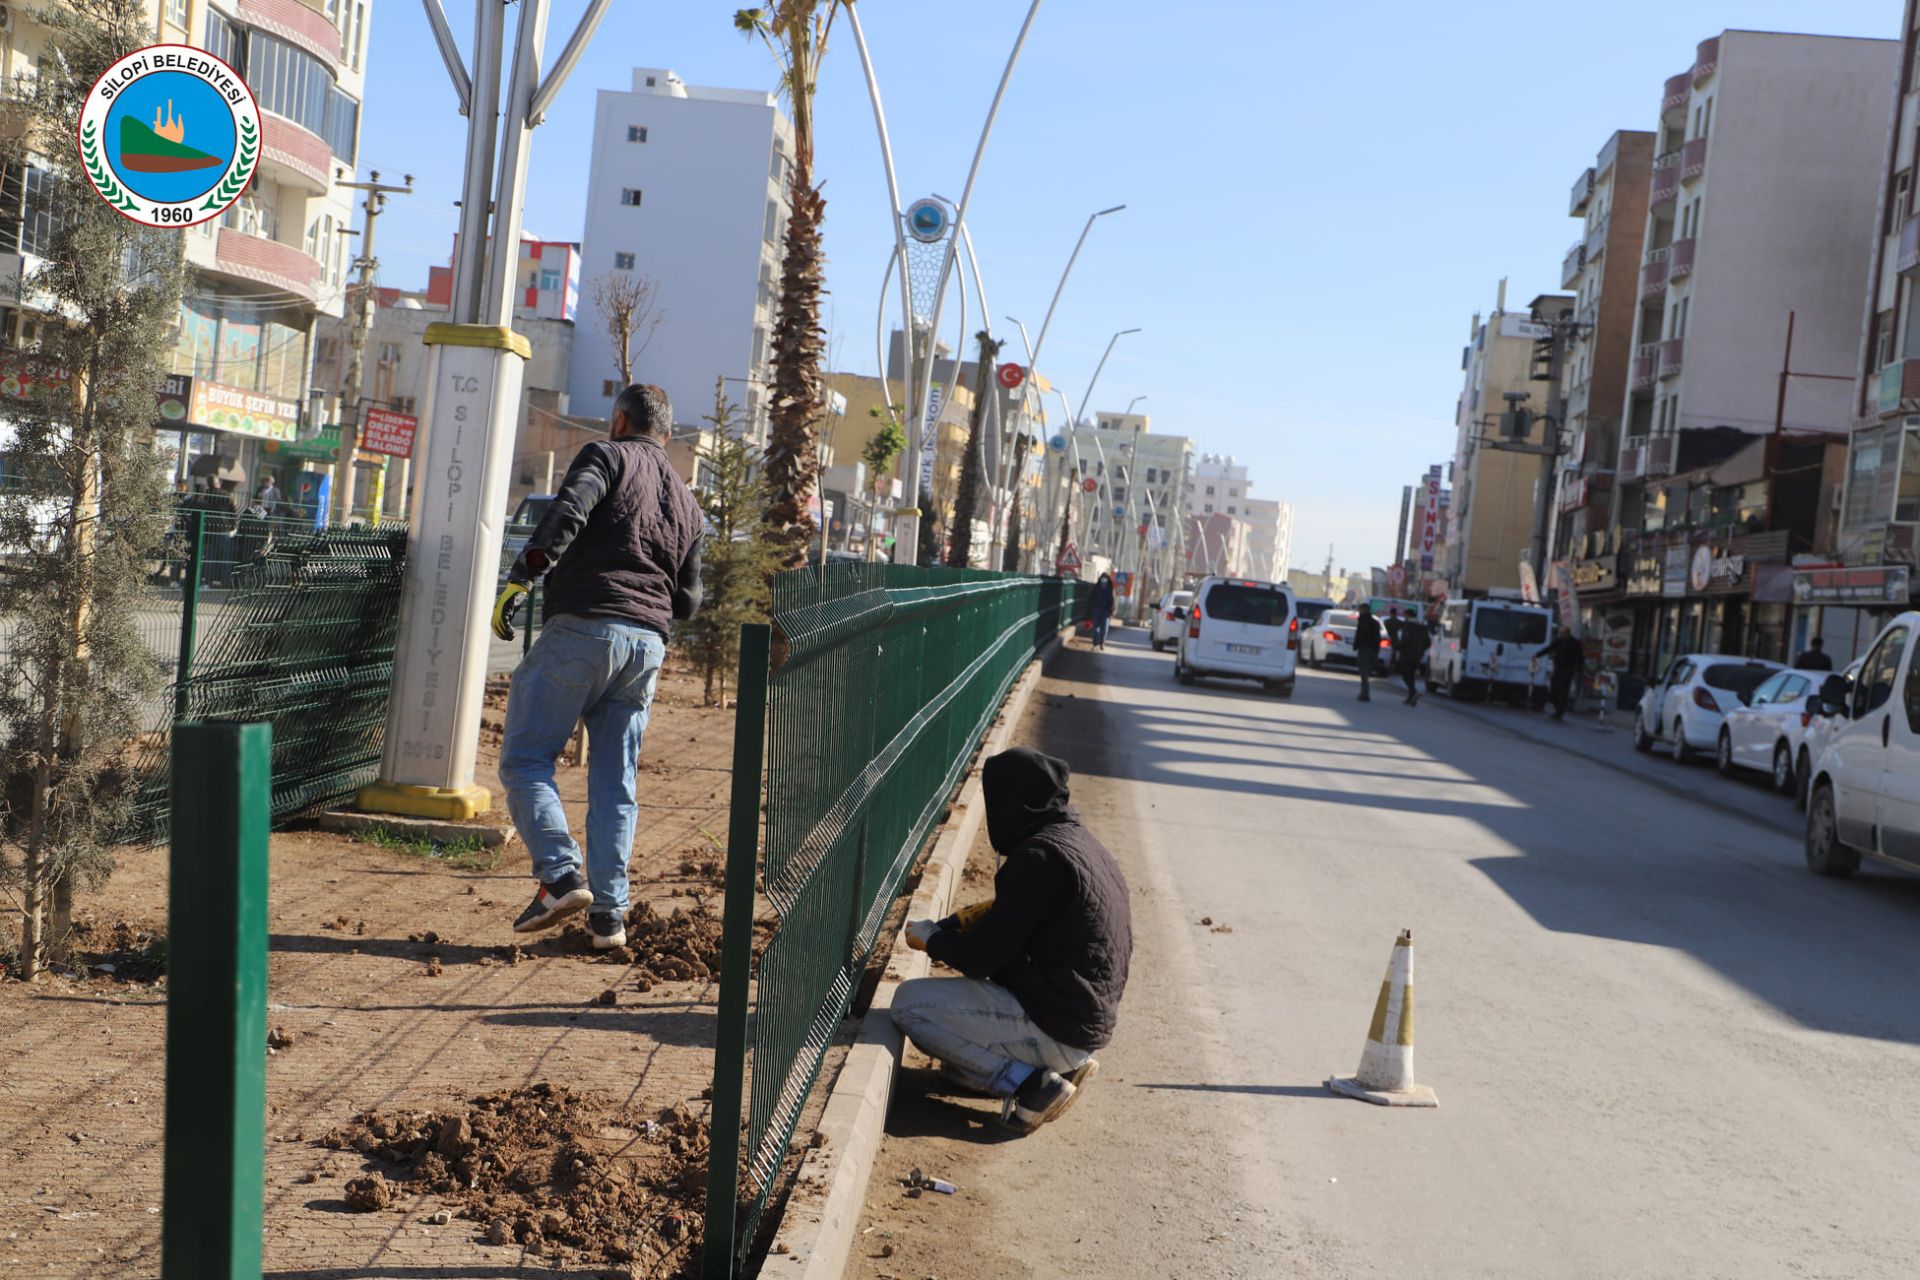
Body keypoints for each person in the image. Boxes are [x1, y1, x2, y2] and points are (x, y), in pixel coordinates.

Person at [490, 384, 705, 950]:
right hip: (648, 647)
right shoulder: (689, 503)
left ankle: (560, 876)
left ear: (618, 419)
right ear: (666, 432)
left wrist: (522, 576)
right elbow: (688, 601)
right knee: (616, 782)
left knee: (526, 759)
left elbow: (569, 512)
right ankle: (610, 917)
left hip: (585, 627)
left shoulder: (605, 456)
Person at [894, 747, 1132, 1135]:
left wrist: (933, 939)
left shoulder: (1038, 859)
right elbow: (1018, 912)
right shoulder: (1076, 845)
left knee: (909, 1005)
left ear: (1016, 801)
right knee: (956, 1068)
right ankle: (1057, 1067)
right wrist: (956, 923)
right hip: (1078, 1020)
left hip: (1056, 1023)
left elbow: (982, 958)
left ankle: (1032, 1085)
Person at [1534, 625, 1587, 720]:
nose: (1561, 634)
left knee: (1563, 690)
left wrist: (1579, 669)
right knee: (1554, 688)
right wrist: (1538, 655)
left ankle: (1560, 711)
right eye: (1560, 633)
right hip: (1558, 667)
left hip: (1568, 669)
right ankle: (1557, 707)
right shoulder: (1559, 641)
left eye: (1562, 633)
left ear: (1567, 633)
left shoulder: (1575, 643)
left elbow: (1581, 657)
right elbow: (1550, 648)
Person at [1396, 613, 1431, 706]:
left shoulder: (1407, 626)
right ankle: (1411, 697)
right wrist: (1421, 649)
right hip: (1418, 655)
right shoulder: (1423, 627)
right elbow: (1428, 642)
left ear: (1408, 616)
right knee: (1411, 674)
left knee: (1405, 674)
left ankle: (1413, 692)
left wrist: (1399, 648)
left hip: (1407, 654)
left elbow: (1404, 640)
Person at [1353, 602, 1383, 702]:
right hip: (1373, 649)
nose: (1359, 612)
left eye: (1360, 610)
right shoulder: (1375, 622)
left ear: (1364, 610)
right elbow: (1378, 637)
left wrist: (1358, 644)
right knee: (1366, 671)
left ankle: (1365, 694)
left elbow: (1361, 635)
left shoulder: (1363, 620)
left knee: (1364, 672)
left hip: (1365, 648)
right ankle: (1364, 693)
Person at [1089, 572, 1115, 650]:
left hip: (1106, 611)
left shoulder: (1111, 589)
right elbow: (1091, 598)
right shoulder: (1096, 588)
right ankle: (1096, 643)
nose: (1104, 580)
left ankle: (1102, 642)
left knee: (1104, 628)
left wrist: (1112, 610)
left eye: (1105, 578)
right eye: (1103, 578)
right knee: (1095, 628)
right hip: (1096, 609)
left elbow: (1113, 601)